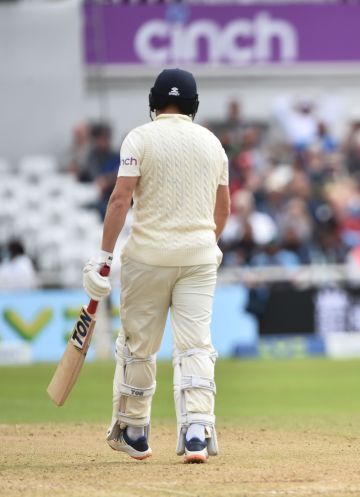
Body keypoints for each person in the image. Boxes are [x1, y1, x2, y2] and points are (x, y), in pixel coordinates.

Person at [81, 68, 230, 464]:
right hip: (199, 257)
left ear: (154, 101)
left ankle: (135, 430)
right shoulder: (213, 143)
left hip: (147, 257)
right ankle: (197, 429)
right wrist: (202, 244)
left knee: (138, 346)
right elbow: (224, 208)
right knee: (196, 344)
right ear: (194, 104)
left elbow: (119, 199)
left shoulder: (139, 138)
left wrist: (103, 258)